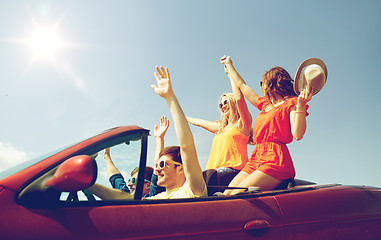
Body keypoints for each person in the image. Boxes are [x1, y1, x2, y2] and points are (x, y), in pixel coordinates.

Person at [90, 66, 207, 199]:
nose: (156, 169)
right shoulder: (157, 198)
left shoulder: (192, 191)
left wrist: (170, 98)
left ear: (181, 168)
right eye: (157, 165)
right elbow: (124, 198)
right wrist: (87, 184)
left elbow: (187, 147)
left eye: (162, 164)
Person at [222, 55, 317, 195]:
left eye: (263, 82)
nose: (261, 86)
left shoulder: (292, 103)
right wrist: (229, 66)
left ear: (272, 82)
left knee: (237, 195)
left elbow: (298, 134)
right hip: (256, 157)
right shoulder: (264, 105)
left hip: (275, 159)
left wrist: (301, 106)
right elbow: (242, 85)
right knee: (226, 194)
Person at [186, 58, 252, 186]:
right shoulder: (220, 127)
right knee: (195, 183)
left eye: (226, 102)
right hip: (213, 172)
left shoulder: (242, 124)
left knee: (207, 179)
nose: (223, 106)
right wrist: (181, 116)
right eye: (220, 104)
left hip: (234, 171)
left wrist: (230, 74)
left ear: (232, 103)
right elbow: (199, 122)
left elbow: (240, 99)